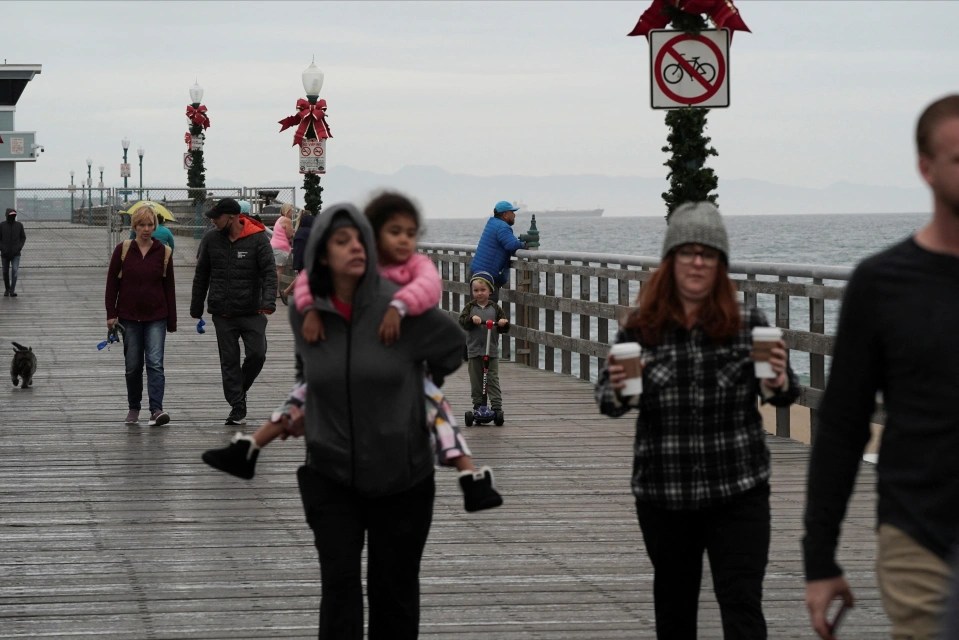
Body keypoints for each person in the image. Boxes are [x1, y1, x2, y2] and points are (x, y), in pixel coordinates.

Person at [202, 193, 502, 512]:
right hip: (351, 352)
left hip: (399, 359)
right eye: (391, 232)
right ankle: (249, 447)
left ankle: (470, 477)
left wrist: (400, 307)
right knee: (308, 391)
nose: (400, 241)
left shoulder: (412, 267)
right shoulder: (358, 261)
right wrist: (314, 309)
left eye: (408, 234)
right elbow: (309, 282)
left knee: (433, 406)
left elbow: (428, 289)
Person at [594, 201, 799, 640]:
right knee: (674, 608)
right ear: (670, 262)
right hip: (664, 493)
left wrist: (779, 377)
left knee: (742, 605)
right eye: (686, 252)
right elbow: (610, 403)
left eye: (708, 254)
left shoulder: (749, 324)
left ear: (721, 265)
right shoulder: (640, 328)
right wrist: (615, 384)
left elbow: (784, 394)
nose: (697, 262)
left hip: (738, 490)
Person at [803, 94, 959, 640]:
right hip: (921, 536)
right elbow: (843, 424)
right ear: (926, 168)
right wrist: (818, 559)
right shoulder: (882, 283)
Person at [284, 202, 466, 638]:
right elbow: (306, 371)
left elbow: (453, 345)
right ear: (322, 255)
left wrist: (413, 383)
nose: (355, 248)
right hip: (330, 471)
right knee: (340, 589)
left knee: (394, 594)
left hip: (401, 476)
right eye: (341, 241)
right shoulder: (305, 313)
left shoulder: (401, 310)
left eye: (360, 240)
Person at [190, 197, 277, 425]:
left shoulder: (257, 239)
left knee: (257, 354)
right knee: (229, 362)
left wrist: (269, 301)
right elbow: (202, 275)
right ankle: (237, 407)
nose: (212, 222)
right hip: (223, 312)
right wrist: (196, 307)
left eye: (216, 218)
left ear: (231, 218)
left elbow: (269, 272)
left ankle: (239, 390)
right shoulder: (211, 239)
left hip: (253, 310)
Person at [105, 205, 177, 426]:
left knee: (155, 363)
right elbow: (112, 284)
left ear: (155, 226)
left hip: (157, 316)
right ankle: (133, 408)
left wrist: (171, 321)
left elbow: (169, 288)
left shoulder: (163, 252)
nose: (146, 229)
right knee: (133, 365)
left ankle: (156, 409)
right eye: (141, 225)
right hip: (129, 317)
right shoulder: (123, 250)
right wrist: (111, 314)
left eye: (150, 225)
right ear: (134, 226)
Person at [458, 272, 510, 421]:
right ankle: (477, 406)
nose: (479, 293)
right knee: (476, 379)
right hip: (474, 350)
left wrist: (503, 323)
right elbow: (462, 322)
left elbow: (504, 327)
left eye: (483, 290)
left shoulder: (495, 308)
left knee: (492, 378)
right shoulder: (470, 307)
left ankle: (496, 407)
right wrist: (471, 319)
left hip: (491, 350)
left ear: (490, 291)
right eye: (476, 290)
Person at [468, 200, 528, 299]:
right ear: (505, 214)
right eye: (512, 212)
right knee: (488, 310)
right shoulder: (502, 227)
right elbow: (511, 245)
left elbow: (505, 242)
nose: (514, 215)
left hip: (476, 272)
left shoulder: (492, 223)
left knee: (476, 309)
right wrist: (524, 244)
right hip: (487, 277)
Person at [280, 208, 313, 305]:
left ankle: (287, 292)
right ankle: (288, 293)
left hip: (300, 260)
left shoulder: (300, 231)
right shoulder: (309, 232)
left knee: (303, 277)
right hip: (306, 260)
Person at [271, 202, 295, 297]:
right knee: (279, 270)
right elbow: (289, 235)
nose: (292, 212)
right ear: (288, 211)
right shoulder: (287, 220)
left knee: (275, 270)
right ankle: (275, 292)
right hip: (281, 247)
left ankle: (272, 290)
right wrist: (295, 232)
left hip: (274, 246)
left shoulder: (279, 219)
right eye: (291, 210)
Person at [1, 207, 26, 297]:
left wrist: (19, 247)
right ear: (7, 215)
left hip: (16, 253)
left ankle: (12, 290)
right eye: (10, 215)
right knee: (5, 272)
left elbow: (23, 237)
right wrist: (2, 248)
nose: (12, 217)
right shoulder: (2, 225)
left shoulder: (19, 225)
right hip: (5, 254)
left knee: (15, 271)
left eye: (13, 215)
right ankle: (7, 289)